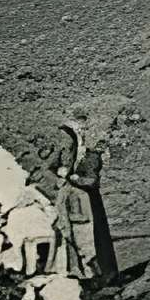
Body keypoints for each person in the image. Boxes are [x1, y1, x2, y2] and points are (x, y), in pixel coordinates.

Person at [54, 117, 118, 288]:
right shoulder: (83, 155)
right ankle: (104, 273)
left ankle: (107, 273)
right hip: (90, 202)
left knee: (99, 240)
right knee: (97, 240)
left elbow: (91, 181)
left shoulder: (92, 156)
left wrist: (75, 179)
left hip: (92, 203)